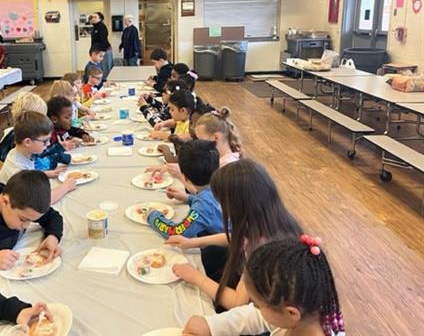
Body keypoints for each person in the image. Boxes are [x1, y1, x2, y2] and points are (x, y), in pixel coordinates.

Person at [166, 159, 303, 311]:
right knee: (211, 252)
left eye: (222, 202)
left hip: (258, 310)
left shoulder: (261, 248)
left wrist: (196, 277)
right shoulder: (269, 219)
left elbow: (238, 302)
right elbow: (238, 237)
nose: (221, 207)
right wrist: (192, 242)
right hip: (253, 286)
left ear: (237, 205)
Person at [183, 237, 345, 336]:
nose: (255, 308)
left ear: (291, 312)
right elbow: (254, 316)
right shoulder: (307, 312)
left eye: (258, 305)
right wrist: (211, 325)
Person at [147, 140, 223, 240]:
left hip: (224, 251)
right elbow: (212, 205)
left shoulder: (203, 206)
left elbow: (176, 232)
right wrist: (188, 198)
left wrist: (153, 216)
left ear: (185, 177)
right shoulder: (222, 184)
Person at [0, 111, 76, 204]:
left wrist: (43, 174)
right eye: (45, 141)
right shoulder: (18, 171)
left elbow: (29, 172)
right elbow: (40, 202)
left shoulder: (18, 153)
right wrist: (66, 187)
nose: (48, 144)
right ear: (28, 142)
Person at [90, 12, 113, 77]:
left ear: (100, 19)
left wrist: (101, 52)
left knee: (105, 68)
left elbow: (103, 40)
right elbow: (94, 41)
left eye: (95, 17)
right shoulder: (94, 27)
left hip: (105, 50)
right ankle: (101, 81)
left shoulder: (102, 27)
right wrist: (91, 51)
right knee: (100, 67)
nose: (93, 18)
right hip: (97, 50)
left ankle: (106, 82)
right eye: (92, 17)